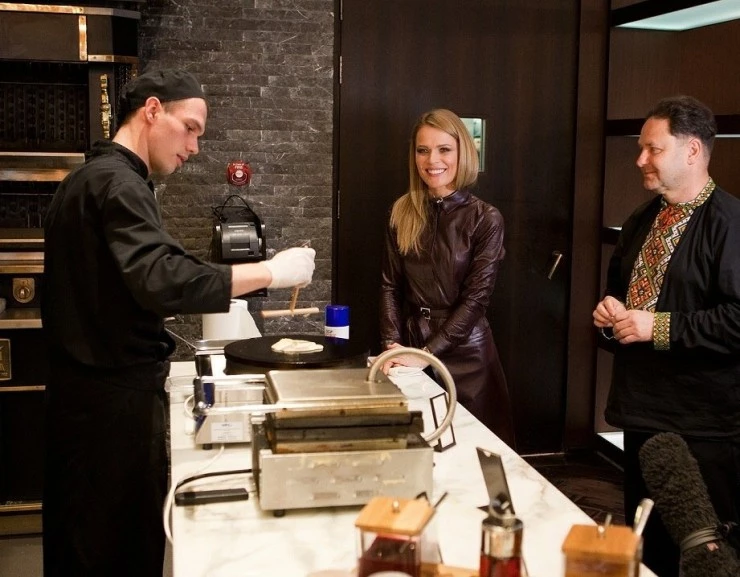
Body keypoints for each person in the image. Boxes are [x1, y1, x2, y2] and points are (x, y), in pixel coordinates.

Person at [41, 69, 315, 577]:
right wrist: (270, 272)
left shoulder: (90, 178)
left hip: (84, 403)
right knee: (113, 551)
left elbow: (131, 283)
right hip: (109, 413)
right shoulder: (118, 183)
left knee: (84, 544)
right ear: (152, 110)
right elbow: (163, 277)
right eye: (189, 128)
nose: (193, 147)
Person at [592, 95, 740, 577]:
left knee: (708, 555)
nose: (640, 160)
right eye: (641, 148)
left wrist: (655, 326)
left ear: (693, 150)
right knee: (647, 548)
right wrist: (610, 316)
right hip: (641, 414)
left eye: (653, 149)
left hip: (704, 425)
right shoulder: (641, 218)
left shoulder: (731, 224)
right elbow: (620, 298)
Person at [379, 108, 516, 447]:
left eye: (444, 149)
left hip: (467, 354)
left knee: (473, 452)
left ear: (462, 153)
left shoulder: (485, 218)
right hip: (410, 344)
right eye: (423, 150)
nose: (432, 160)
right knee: (418, 449)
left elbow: (476, 300)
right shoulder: (401, 211)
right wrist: (392, 347)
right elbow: (389, 285)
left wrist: (427, 352)